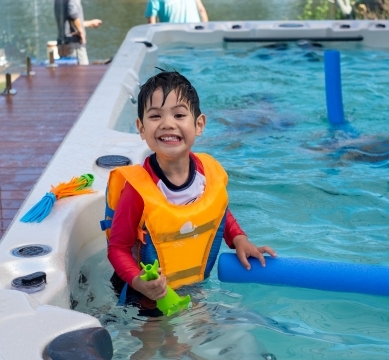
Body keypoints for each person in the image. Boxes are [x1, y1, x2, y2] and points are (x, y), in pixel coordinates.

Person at [105, 70, 276, 316]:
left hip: (192, 283)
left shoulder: (207, 173)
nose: (167, 123)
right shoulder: (138, 189)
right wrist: (138, 282)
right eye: (155, 116)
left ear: (198, 125)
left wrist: (239, 239)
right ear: (141, 129)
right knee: (152, 347)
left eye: (179, 114)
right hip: (145, 294)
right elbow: (118, 248)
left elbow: (217, 212)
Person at [54, 0, 102, 65]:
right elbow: (72, 14)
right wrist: (81, 33)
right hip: (74, 44)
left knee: (65, 73)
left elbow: (67, 21)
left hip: (62, 43)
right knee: (81, 72)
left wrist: (90, 23)